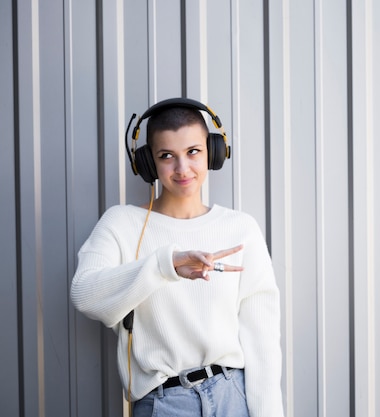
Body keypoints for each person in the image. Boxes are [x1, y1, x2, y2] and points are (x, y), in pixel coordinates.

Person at [70, 98, 284, 417]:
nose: (182, 168)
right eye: (166, 156)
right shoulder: (121, 223)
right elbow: (85, 295)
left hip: (232, 395)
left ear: (213, 152)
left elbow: (262, 341)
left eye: (193, 152)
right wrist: (165, 265)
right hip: (164, 403)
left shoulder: (240, 228)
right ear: (147, 163)